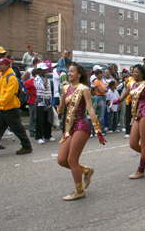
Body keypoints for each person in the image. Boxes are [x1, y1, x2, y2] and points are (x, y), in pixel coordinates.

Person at [57, 62, 105, 201]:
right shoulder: (65, 88)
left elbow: (90, 109)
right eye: (68, 71)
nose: (69, 74)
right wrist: (59, 112)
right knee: (61, 160)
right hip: (69, 127)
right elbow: (62, 105)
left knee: (72, 159)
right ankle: (85, 170)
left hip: (82, 125)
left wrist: (97, 129)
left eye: (72, 71)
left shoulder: (84, 89)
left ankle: (79, 191)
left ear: (79, 74)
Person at [112, 64, 145, 179]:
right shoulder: (130, 84)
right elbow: (123, 96)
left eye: (136, 72)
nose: (134, 74)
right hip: (136, 115)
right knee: (133, 143)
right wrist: (115, 101)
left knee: (144, 143)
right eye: (133, 72)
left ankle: (141, 170)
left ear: (142, 73)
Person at [34, 62, 55, 144]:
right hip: (41, 101)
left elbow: (49, 90)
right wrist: (46, 79)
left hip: (47, 101)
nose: (45, 72)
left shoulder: (46, 79)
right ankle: (38, 137)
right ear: (39, 71)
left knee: (48, 119)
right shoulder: (37, 79)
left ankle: (47, 135)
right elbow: (43, 87)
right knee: (40, 119)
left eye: (46, 70)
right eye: (43, 70)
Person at [94, 69, 108, 134]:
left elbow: (105, 90)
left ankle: (101, 128)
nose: (102, 75)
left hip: (103, 97)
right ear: (97, 75)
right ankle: (100, 129)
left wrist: (104, 90)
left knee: (102, 113)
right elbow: (101, 91)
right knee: (100, 115)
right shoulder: (96, 81)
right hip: (99, 98)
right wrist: (104, 90)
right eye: (100, 74)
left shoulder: (101, 81)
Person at [24, 69, 37, 137]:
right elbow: (24, 85)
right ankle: (31, 130)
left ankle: (35, 129)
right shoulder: (30, 81)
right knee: (32, 116)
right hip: (32, 100)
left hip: (38, 100)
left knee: (37, 116)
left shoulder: (39, 81)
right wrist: (29, 93)